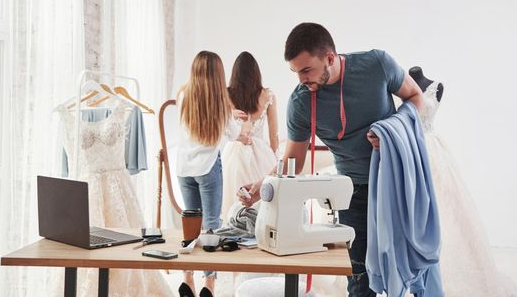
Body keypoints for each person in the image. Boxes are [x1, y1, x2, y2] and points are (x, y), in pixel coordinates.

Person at [240, 23, 424, 297]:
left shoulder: (377, 64)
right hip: (354, 194)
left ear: (329, 58)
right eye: (295, 72)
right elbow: (293, 160)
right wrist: (263, 184)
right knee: (360, 281)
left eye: (306, 70)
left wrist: (392, 130)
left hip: (396, 183)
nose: (301, 80)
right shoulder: (301, 102)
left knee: (410, 270)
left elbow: (415, 97)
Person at [409, 66, 516, 296]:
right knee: (417, 212)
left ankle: (444, 270)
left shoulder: (435, 87)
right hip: (411, 151)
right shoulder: (403, 85)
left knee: (445, 210)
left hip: (432, 152)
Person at [177, 51, 247, 297]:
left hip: (184, 170)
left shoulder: (183, 95)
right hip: (208, 168)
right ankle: (209, 284)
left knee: (190, 230)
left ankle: (187, 278)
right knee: (211, 228)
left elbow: (187, 125)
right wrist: (236, 121)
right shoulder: (220, 101)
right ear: (219, 74)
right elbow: (233, 132)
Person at [221, 51, 279, 219]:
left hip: (234, 152)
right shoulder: (268, 95)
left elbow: (223, 127)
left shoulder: (226, 95)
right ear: (256, 73)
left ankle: (234, 227)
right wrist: (275, 160)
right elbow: (274, 134)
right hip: (262, 153)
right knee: (263, 198)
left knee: (232, 197)